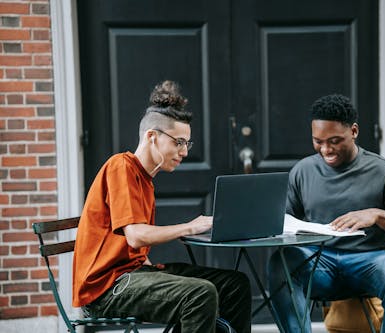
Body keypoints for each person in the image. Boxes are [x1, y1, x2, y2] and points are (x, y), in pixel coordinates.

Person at [72, 80, 251, 333]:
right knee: (199, 294)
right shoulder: (120, 166)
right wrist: (189, 227)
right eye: (178, 142)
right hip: (107, 289)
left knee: (235, 284)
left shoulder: (146, 179)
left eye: (186, 144)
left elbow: (133, 246)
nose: (184, 152)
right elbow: (136, 236)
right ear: (152, 137)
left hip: (136, 274)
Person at [268, 94, 385, 333]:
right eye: (318, 141)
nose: (325, 149)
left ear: (353, 131)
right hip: (318, 262)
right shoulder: (303, 171)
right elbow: (284, 222)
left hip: (371, 261)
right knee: (280, 265)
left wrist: (377, 215)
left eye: (334, 141)